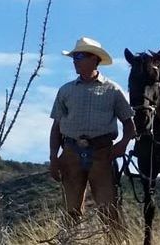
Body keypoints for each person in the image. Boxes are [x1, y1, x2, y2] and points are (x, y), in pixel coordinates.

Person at [48, 37, 135, 239]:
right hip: (71, 153)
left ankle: (115, 242)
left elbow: (130, 125)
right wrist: (54, 157)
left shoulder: (112, 90)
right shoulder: (65, 90)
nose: (74, 61)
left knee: (108, 209)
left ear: (93, 59)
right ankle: (69, 241)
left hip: (102, 154)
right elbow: (56, 127)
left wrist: (122, 145)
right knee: (71, 210)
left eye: (79, 56)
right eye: (74, 57)